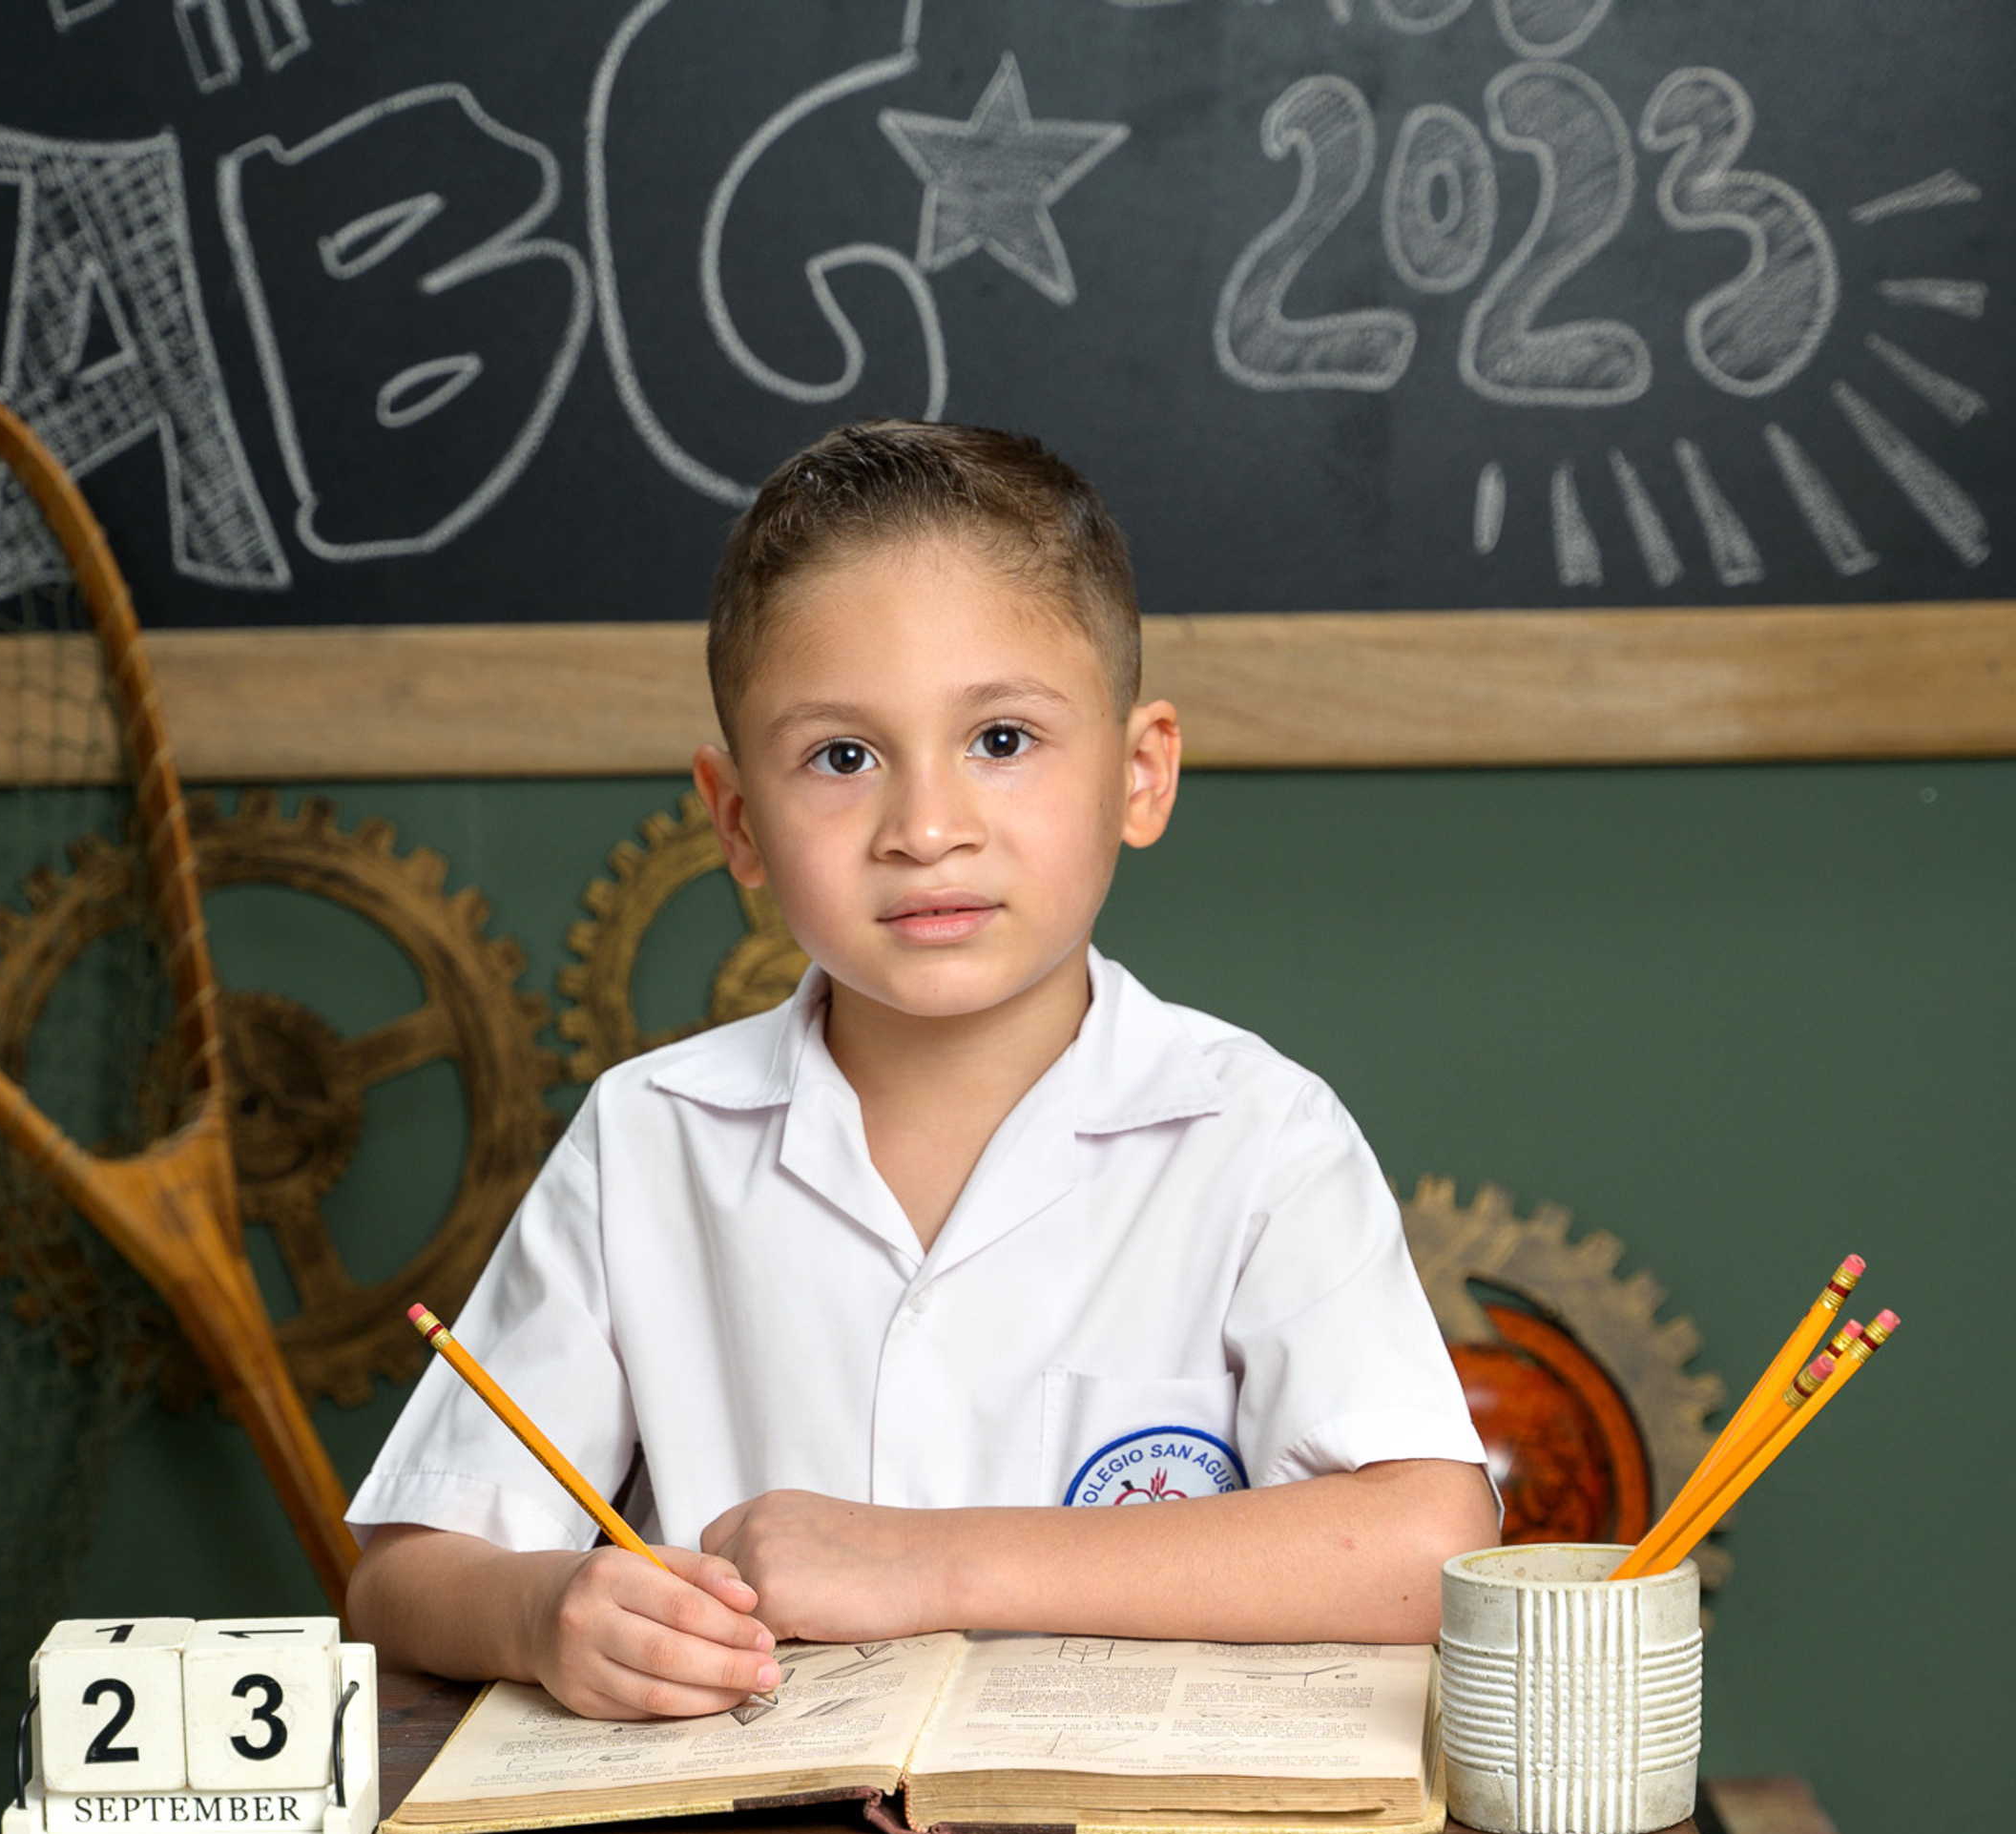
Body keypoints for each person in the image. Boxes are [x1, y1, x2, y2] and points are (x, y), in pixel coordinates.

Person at [344, 422, 1495, 1719]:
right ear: (737, 821)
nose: (926, 829)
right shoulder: (648, 1140)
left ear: (1141, 770)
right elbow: (402, 1576)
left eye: (1002, 739)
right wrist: (545, 1614)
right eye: (843, 757)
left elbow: (1426, 1551)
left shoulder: (1259, 1134)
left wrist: (930, 1561)